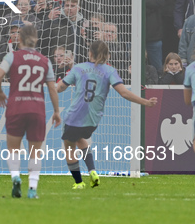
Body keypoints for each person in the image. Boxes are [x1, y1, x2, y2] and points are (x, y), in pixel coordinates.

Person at [56, 40, 157, 189]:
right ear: (107, 55)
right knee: (80, 139)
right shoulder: (110, 71)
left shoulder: (78, 68)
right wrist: (145, 102)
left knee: (69, 147)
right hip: (93, 119)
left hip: (75, 115)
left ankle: (79, 183)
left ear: (89, 53)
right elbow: (124, 93)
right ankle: (93, 172)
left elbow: (60, 88)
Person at [0, 24, 61, 199]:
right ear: (37, 39)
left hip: (16, 107)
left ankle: (16, 177)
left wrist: (0, 92)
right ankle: (32, 188)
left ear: (20, 39)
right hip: (37, 109)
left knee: (13, 149)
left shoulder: (12, 56)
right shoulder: (45, 60)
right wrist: (56, 111)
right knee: (35, 151)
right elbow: (52, 89)